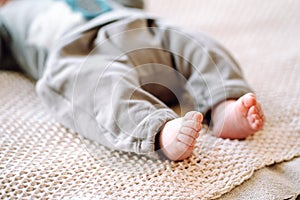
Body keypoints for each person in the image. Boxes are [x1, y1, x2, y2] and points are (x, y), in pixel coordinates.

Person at [0, 0, 265, 161]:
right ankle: (159, 131)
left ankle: (223, 104)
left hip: (137, 27)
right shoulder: (7, 18)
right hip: (79, 52)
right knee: (95, 89)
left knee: (196, 44)